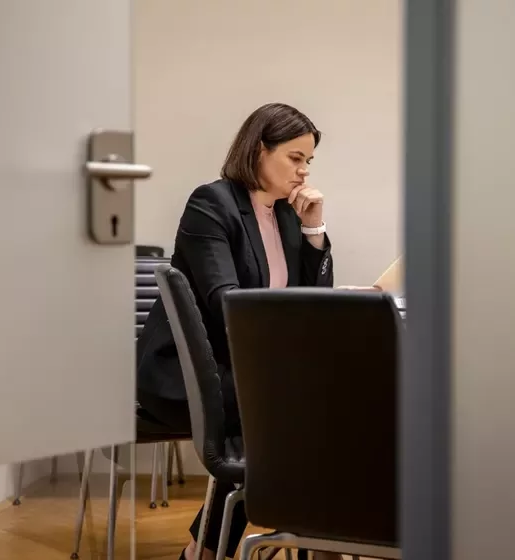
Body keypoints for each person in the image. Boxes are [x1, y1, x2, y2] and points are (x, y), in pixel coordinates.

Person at [136, 102, 335, 560]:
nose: (304, 171)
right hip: (186, 373)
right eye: (295, 157)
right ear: (259, 149)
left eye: (309, 160)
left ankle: (217, 546)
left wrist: (314, 230)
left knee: (305, 408)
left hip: (247, 374)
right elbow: (226, 302)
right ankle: (281, 536)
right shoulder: (212, 204)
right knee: (279, 414)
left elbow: (316, 301)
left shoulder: (287, 214)